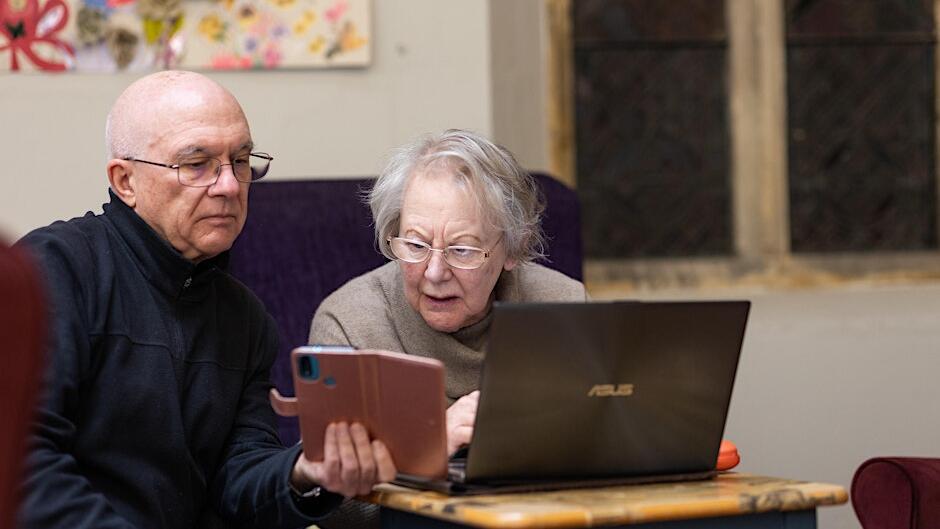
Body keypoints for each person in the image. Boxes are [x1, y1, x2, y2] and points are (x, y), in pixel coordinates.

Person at [16, 70, 395, 529]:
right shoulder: (56, 270)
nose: (230, 186)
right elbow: (23, 464)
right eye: (197, 163)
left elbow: (239, 477)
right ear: (125, 181)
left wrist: (302, 472)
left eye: (240, 160)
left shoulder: (245, 316)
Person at [308, 129, 587, 527]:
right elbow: (335, 507)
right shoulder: (349, 325)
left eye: (462, 250)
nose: (434, 273)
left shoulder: (565, 309)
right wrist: (428, 451)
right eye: (416, 245)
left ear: (511, 248)